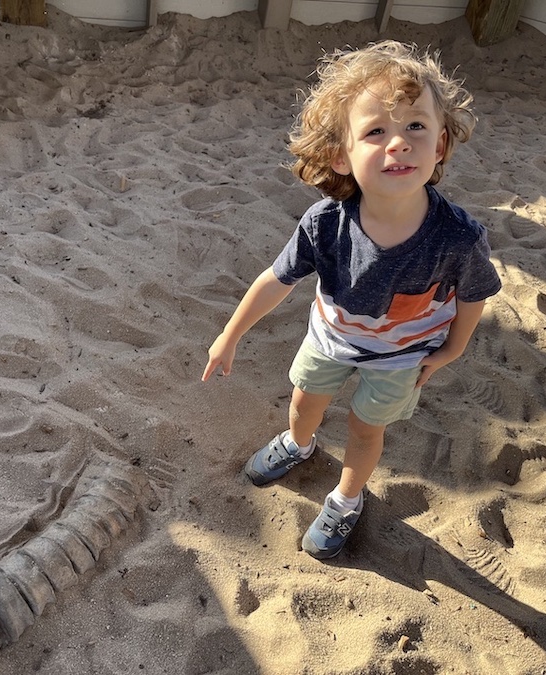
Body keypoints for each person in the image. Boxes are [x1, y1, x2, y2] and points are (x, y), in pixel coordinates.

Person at [201, 41, 501, 560]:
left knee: (366, 431)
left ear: (440, 145)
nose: (399, 144)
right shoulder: (325, 223)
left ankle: (345, 498)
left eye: (415, 127)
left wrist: (452, 349)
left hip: (400, 358)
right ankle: (298, 445)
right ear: (342, 154)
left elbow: (473, 295)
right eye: (376, 131)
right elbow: (278, 278)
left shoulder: (459, 238)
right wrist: (229, 336)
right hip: (330, 338)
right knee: (303, 404)